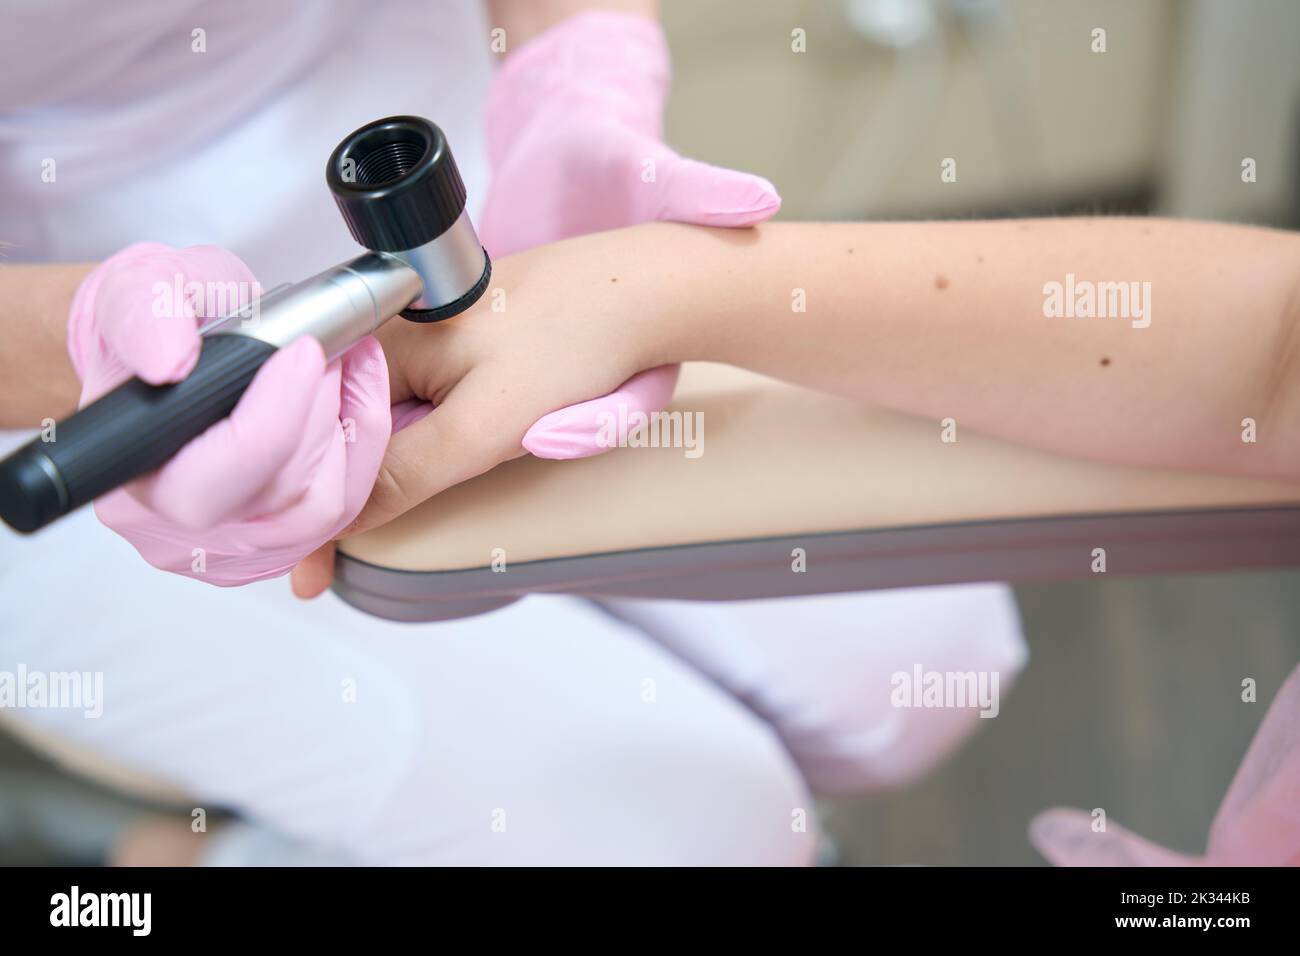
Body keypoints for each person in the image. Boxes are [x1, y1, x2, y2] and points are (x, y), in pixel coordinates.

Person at [0, 1, 1024, 865]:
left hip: (472, 217)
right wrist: (89, 333)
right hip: (97, 383)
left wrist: (582, 88)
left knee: (926, 658)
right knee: (696, 832)